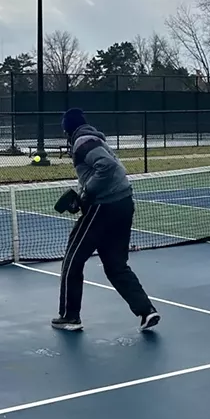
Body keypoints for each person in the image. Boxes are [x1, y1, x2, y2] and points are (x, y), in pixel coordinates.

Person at [52, 108, 160, 333]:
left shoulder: (82, 141)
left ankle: (70, 316)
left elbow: (107, 167)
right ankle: (146, 311)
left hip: (103, 206)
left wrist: (86, 194)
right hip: (123, 203)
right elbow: (109, 169)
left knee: (73, 259)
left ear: (67, 130)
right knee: (116, 265)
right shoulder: (94, 138)